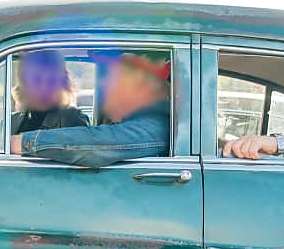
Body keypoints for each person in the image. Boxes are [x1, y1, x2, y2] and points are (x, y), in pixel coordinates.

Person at [13, 52, 171, 167]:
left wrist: (20, 143)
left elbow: (96, 144)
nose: (106, 86)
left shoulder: (159, 124)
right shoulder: (14, 120)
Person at [11, 50, 89, 135]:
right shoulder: (11, 122)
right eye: (36, 79)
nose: (44, 88)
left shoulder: (73, 119)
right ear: (24, 82)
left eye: (52, 81)